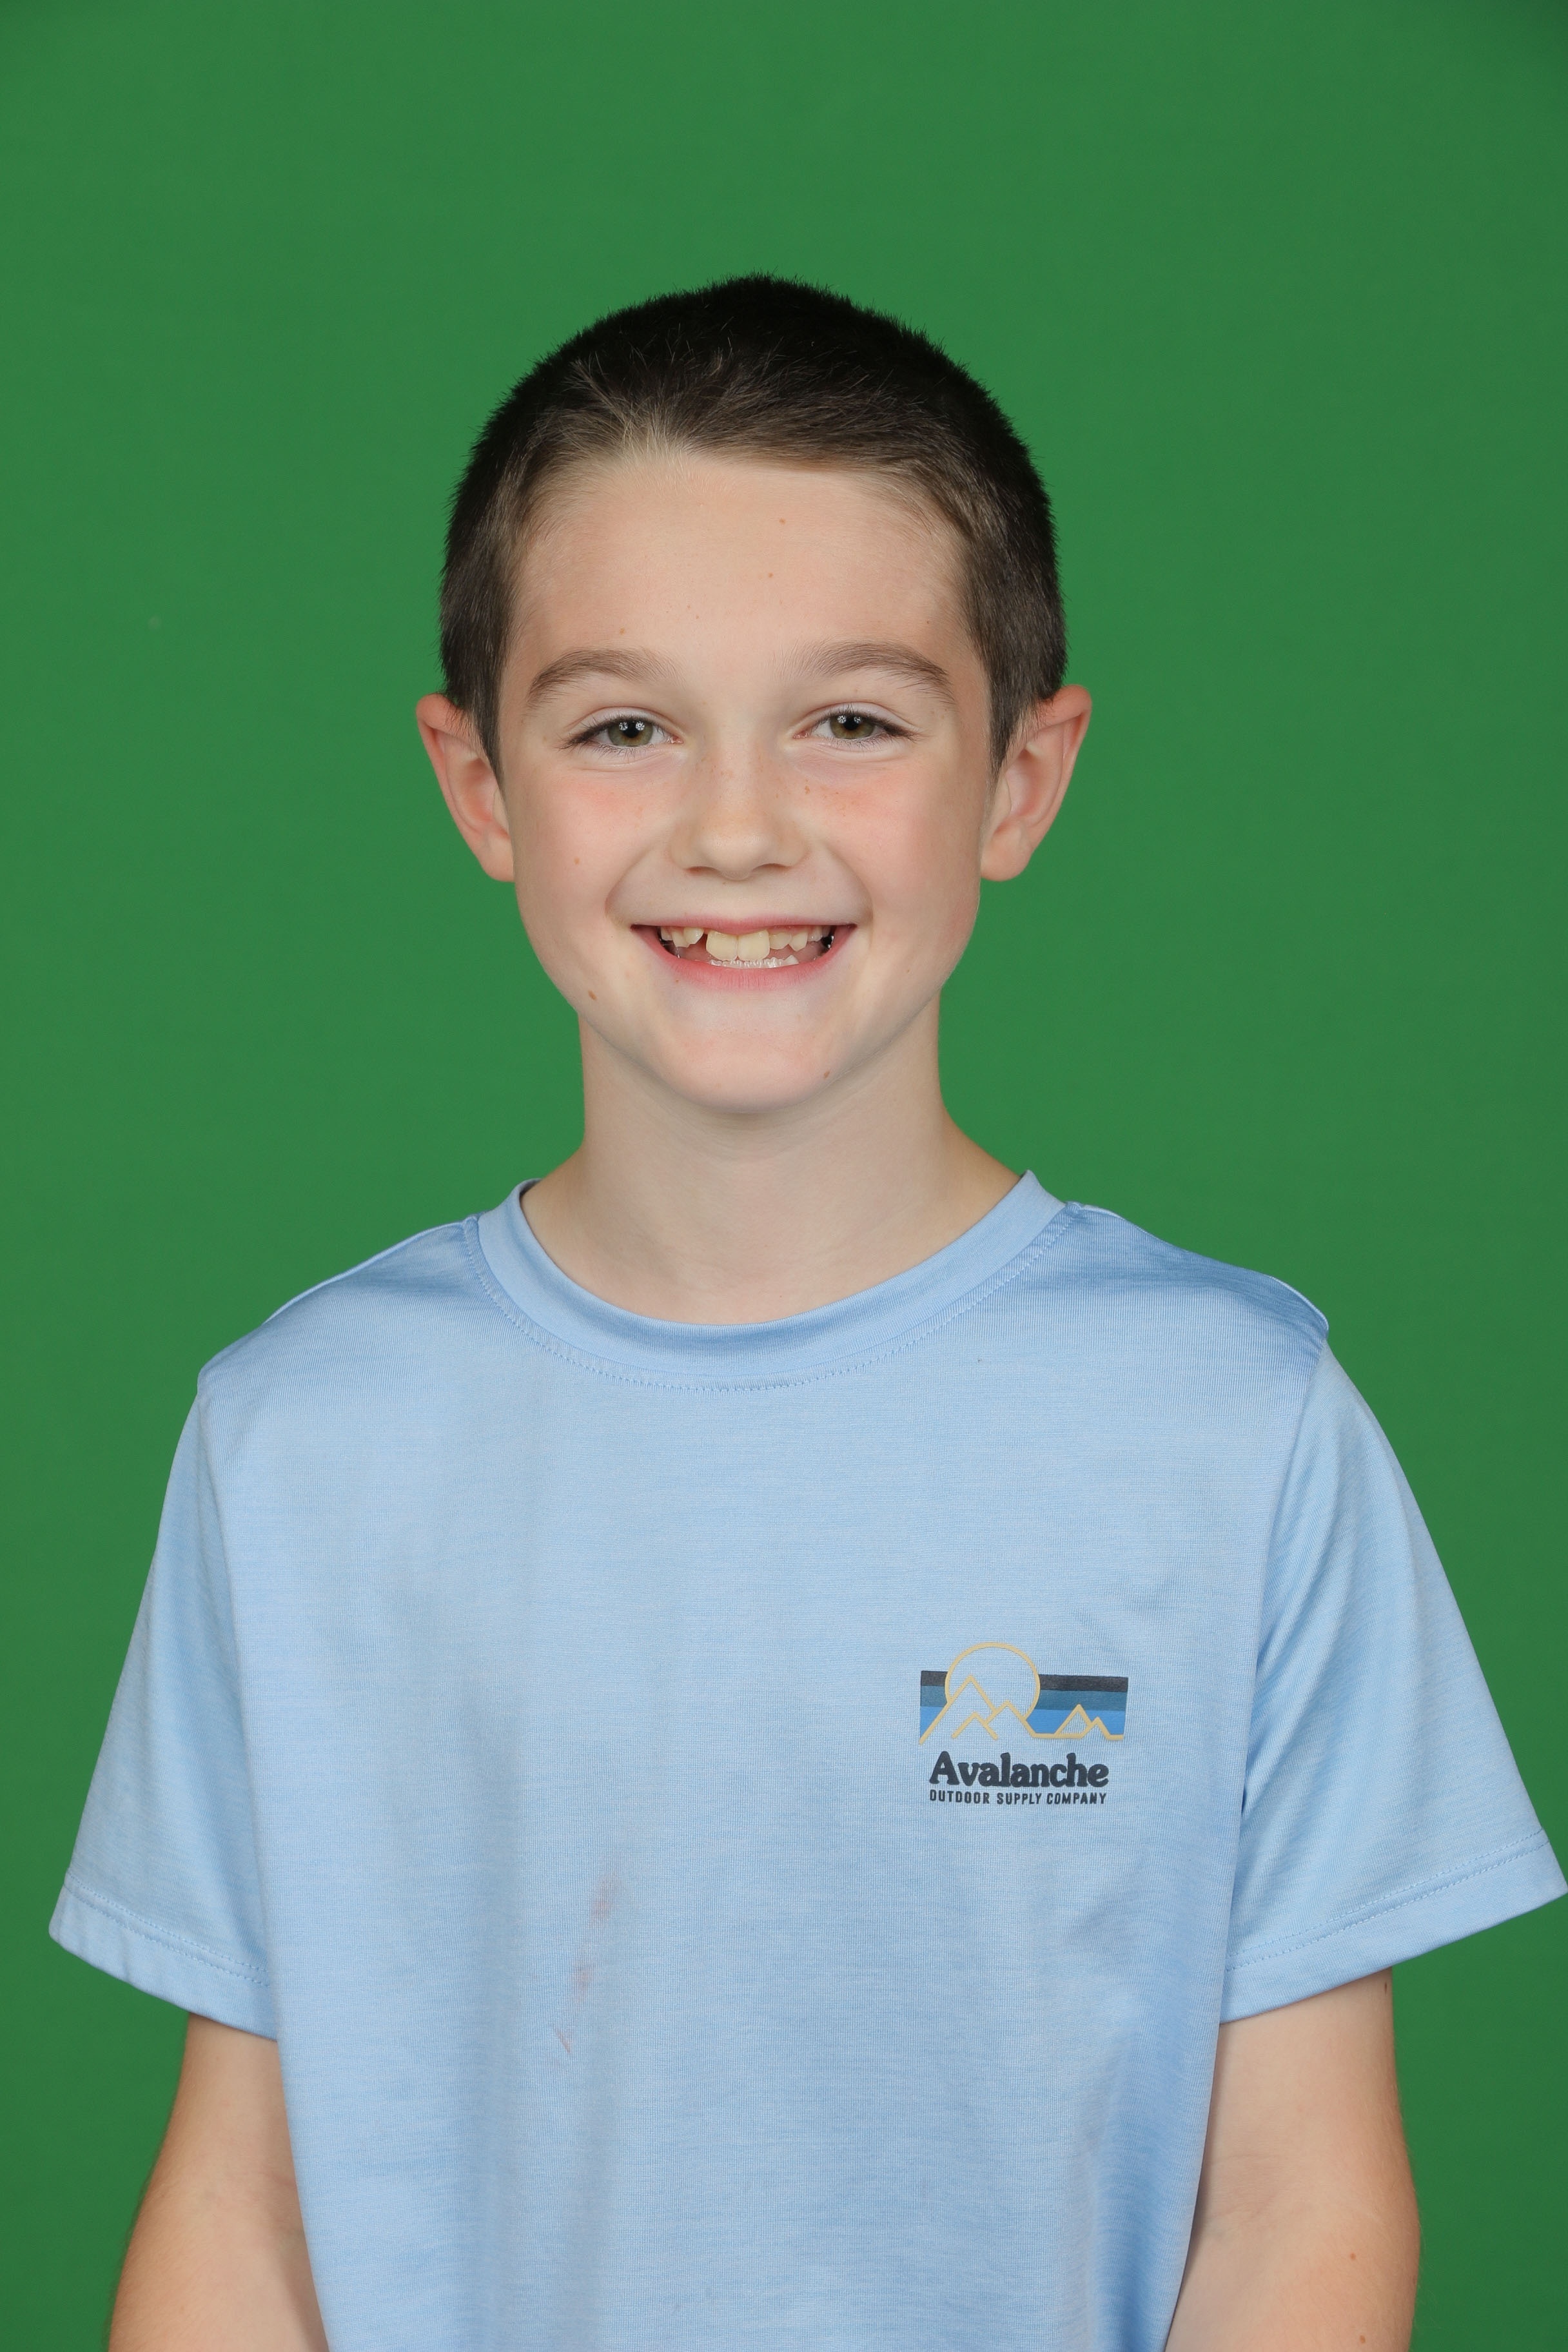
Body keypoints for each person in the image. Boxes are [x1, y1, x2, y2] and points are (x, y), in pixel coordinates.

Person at [55, 277, 1561, 2352]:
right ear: (480, 786)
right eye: (623, 726)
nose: (739, 827)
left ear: (1020, 777)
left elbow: (1300, 2212)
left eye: (851, 721)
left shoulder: (1237, 1431)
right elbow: (242, 2210)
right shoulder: (300, 1441)